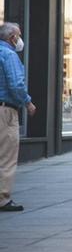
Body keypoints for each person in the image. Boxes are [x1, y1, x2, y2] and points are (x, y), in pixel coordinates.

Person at [0, 23, 35, 212]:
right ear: (12, 37)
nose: (20, 39)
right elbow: (15, 84)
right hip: (5, 111)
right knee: (6, 156)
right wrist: (27, 102)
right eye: (19, 35)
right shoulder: (9, 55)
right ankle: (3, 199)